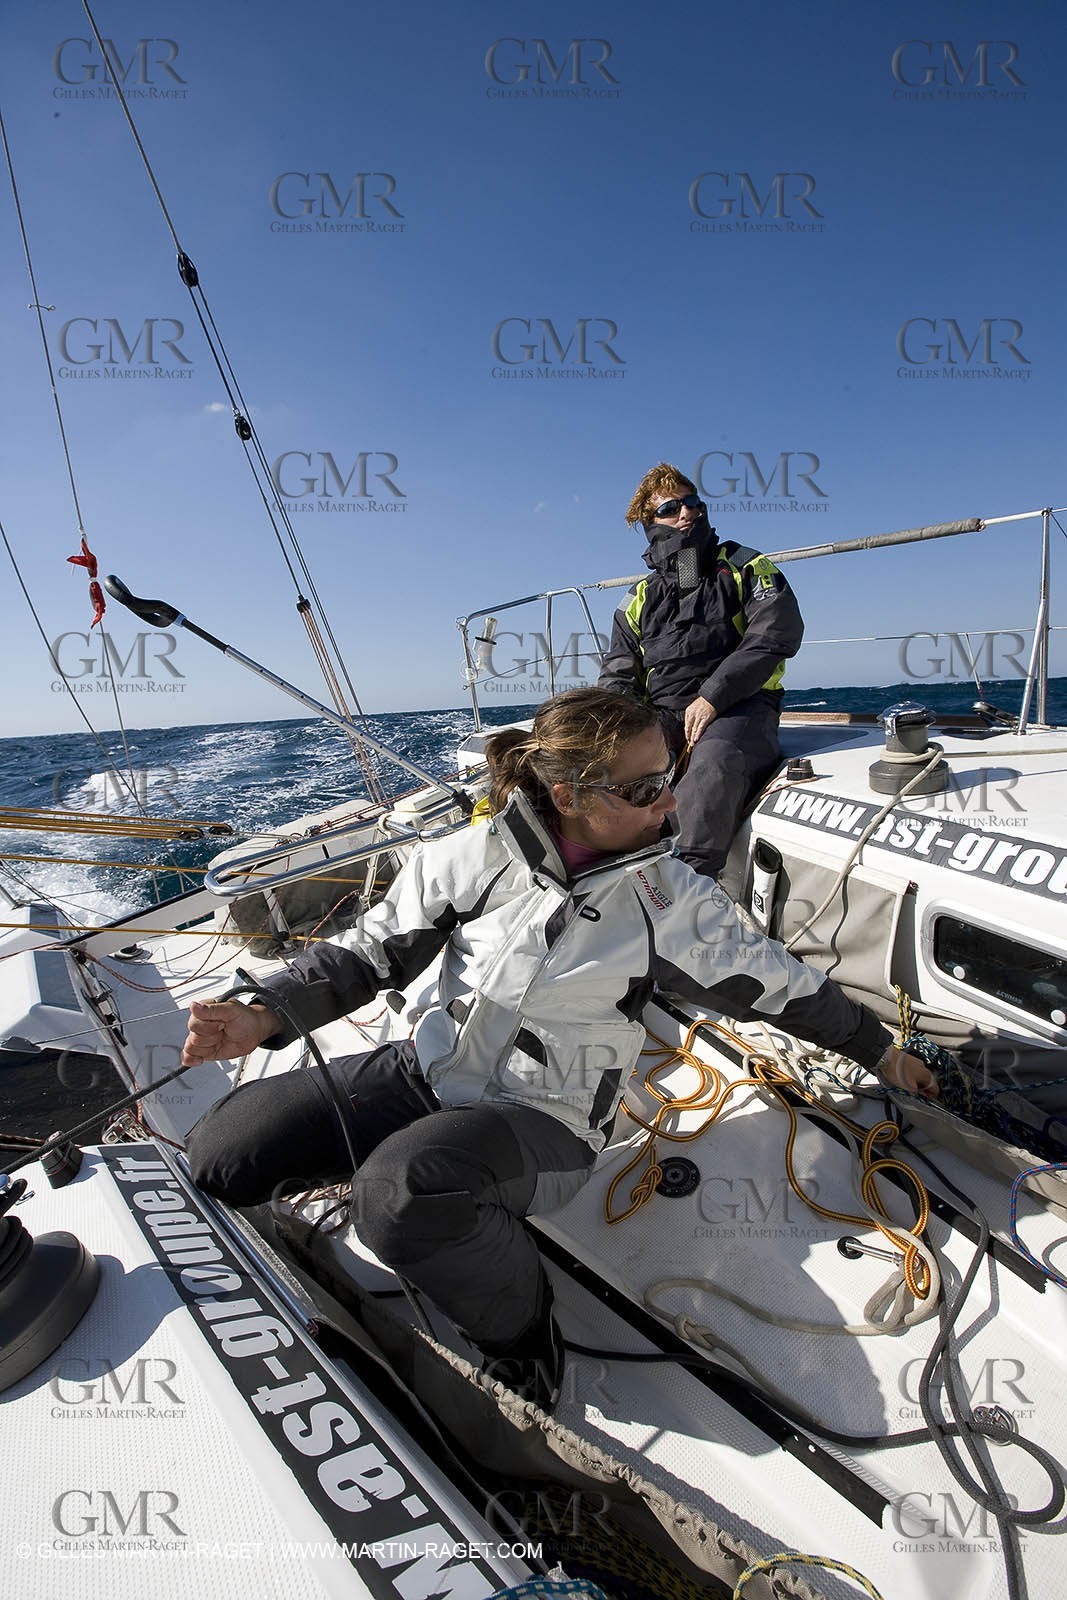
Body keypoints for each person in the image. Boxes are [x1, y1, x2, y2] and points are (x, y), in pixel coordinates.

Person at [184, 688, 935, 1412]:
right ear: (570, 795)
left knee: (406, 1190)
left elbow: (782, 986)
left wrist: (879, 1050)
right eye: (644, 789)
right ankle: (427, 1193)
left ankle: (523, 1340)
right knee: (223, 1150)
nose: (671, 804)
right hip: (431, 1072)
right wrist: (261, 1013)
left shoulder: (671, 901)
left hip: (546, 1118)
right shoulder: (473, 856)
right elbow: (367, 951)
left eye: (668, 778)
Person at [599, 462, 804, 879]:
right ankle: (602, 871)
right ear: (649, 523)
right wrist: (615, 729)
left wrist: (712, 696)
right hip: (663, 715)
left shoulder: (746, 566)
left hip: (741, 706)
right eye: (671, 508)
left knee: (713, 765)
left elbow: (774, 634)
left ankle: (684, 888)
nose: (687, 512)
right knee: (608, 770)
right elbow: (619, 675)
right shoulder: (637, 599)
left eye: (692, 502)